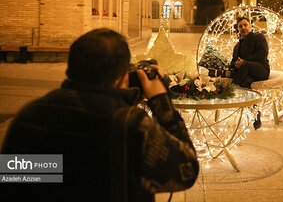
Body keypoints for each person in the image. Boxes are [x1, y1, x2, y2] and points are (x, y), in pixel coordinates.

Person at [1, 28, 199, 202]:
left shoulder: (31, 114)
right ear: (122, 78)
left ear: (71, 68)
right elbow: (186, 171)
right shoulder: (132, 125)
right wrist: (160, 101)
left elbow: (18, 179)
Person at [229, 16, 270, 88]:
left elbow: (262, 54)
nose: (243, 28)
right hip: (246, 72)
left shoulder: (259, 37)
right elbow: (233, 60)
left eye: (245, 25)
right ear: (238, 29)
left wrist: (244, 61)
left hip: (262, 69)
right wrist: (236, 64)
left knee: (245, 64)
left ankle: (230, 89)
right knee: (246, 81)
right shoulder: (237, 46)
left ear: (250, 26)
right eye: (240, 26)